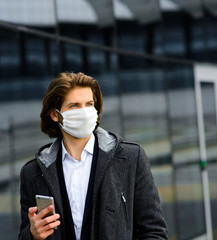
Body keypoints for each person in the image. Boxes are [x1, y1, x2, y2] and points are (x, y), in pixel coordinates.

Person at [18, 72, 168, 240]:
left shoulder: (131, 158)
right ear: (54, 115)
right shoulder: (32, 173)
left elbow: (155, 232)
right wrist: (32, 235)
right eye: (74, 105)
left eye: (89, 104)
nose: (84, 112)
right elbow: (25, 232)